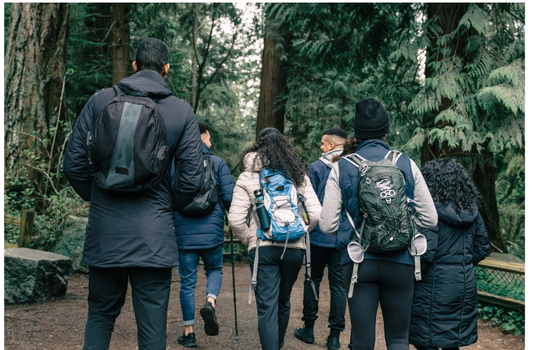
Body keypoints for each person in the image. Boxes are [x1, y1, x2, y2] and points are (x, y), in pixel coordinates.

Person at [63, 38, 205, 350]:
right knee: (153, 329)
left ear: (134, 66)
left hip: (105, 233)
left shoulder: (100, 101)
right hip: (153, 238)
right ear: (166, 70)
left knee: (100, 315)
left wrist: (99, 196)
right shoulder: (181, 112)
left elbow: (72, 164)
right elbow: (192, 177)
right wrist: (168, 205)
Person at [320, 97, 438, 350]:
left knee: (362, 340)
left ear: (358, 133)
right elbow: (430, 218)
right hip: (401, 261)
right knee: (397, 339)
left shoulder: (343, 167)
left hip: (358, 261)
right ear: (385, 131)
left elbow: (327, 225)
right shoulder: (405, 163)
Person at [228, 127, 322, 350]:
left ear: (258, 146)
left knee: (267, 306)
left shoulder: (248, 176)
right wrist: (300, 233)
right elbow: (317, 214)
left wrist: (249, 239)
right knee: (283, 301)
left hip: (264, 248)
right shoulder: (298, 176)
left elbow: (235, 220)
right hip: (294, 249)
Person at [409, 158, 490, 350]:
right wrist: (463, 265)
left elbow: (426, 253)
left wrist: (417, 274)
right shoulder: (472, 212)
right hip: (463, 284)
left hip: (431, 285)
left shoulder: (429, 214)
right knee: (452, 339)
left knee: (426, 339)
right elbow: (482, 247)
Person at [174, 121, 235, 347]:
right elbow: (229, 198)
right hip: (211, 230)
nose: (211, 143)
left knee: (187, 281)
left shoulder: (176, 164)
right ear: (202, 138)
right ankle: (210, 302)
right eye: (208, 139)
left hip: (184, 230)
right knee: (214, 269)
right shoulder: (218, 163)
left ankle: (189, 333)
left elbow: (170, 196)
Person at [294, 128, 347, 350]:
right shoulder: (350, 167)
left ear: (332, 146)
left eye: (323, 144)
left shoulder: (314, 169)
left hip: (316, 237)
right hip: (341, 238)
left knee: (312, 280)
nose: (321, 147)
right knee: (338, 287)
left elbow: (305, 203)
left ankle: (308, 329)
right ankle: (334, 337)